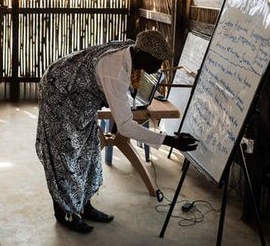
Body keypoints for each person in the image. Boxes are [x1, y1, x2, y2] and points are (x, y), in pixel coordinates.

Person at [35, 30, 198, 234]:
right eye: (157, 61)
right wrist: (170, 141)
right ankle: (65, 213)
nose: (159, 67)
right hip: (59, 91)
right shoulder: (115, 71)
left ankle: (84, 206)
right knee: (65, 155)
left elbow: (124, 85)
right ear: (142, 54)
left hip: (81, 96)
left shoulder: (132, 49)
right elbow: (125, 127)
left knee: (89, 150)